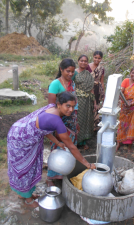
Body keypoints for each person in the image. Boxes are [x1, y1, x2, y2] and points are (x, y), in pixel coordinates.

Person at [7, 92, 96, 209]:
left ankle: (24, 194)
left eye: (73, 106)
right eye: (68, 106)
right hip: (20, 139)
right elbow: (72, 146)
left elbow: (45, 129)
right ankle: (27, 200)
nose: (71, 110)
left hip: (19, 130)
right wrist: (87, 164)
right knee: (25, 169)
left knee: (29, 166)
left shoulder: (51, 108)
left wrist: (57, 142)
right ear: (59, 104)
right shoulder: (57, 121)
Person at [46, 58, 79, 186]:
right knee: (57, 146)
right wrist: (55, 126)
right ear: (61, 69)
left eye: (72, 72)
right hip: (58, 121)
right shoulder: (55, 84)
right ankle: (51, 176)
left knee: (70, 147)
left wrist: (76, 123)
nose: (70, 74)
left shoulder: (73, 83)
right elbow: (50, 107)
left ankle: (64, 172)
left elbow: (74, 105)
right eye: (68, 71)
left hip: (72, 120)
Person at [116, 68, 134, 151]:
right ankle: (119, 143)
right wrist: (123, 101)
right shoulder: (125, 81)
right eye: (133, 73)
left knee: (132, 125)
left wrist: (132, 103)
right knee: (122, 124)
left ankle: (129, 145)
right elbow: (120, 92)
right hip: (124, 106)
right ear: (130, 73)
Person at [73, 55, 95, 150]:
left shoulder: (89, 74)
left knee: (86, 121)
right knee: (77, 120)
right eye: (81, 60)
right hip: (77, 100)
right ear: (78, 61)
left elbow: (91, 89)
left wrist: (95, 103)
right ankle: (74, 142)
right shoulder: (73, 73)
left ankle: (83, 142)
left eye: (85, 61)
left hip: (87, 101)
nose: (83, 62)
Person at [87, 51, 105, 130]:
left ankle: (95, 126)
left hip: (97, 89)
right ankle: (87, 126)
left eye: (99, 58)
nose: (97, 59)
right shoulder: (87, 66)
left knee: (96, 106)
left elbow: (102, 81)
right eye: (95, 57)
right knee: (88, 106)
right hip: (88, 88)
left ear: (101, 59)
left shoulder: (101, 68)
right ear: (93, 57)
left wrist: (103, 93)